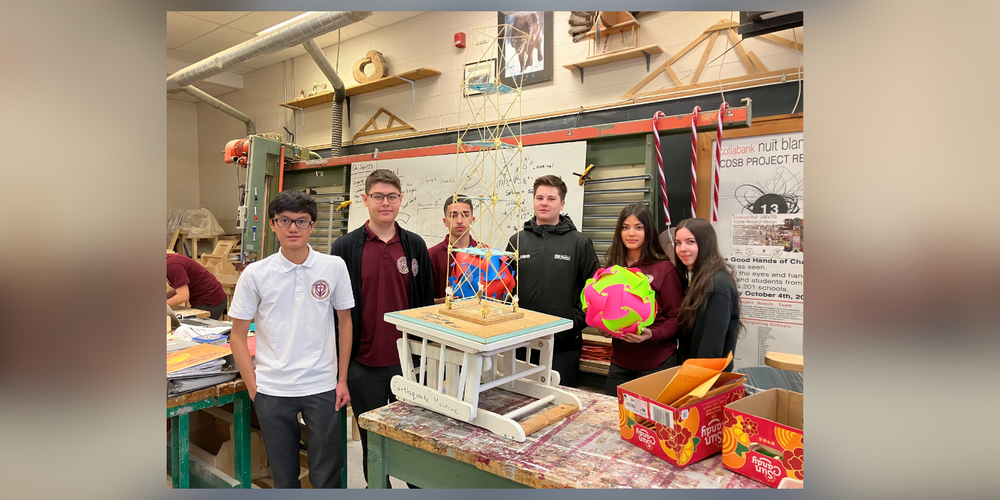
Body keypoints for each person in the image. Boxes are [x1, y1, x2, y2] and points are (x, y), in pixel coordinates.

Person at [227, 190, 355, 488]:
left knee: (327, 473)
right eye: (284, 220)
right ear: (272, 224)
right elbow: (237, 335)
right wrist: (254, 388)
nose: (293, 228)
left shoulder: (333, 267)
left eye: (301, 221)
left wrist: (342, 379)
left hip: (322, 385)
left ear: (313, 226)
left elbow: (345, 322)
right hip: (273, 388)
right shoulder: (256, 274)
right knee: (284, 475)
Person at [330, 169, 433, 488]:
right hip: (363, 366)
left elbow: (426, 307)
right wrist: (342, 372)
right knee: (373, 446)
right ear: (364, 200)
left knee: (415, 443)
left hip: (408, 366)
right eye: (378, 196)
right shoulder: (345, 247)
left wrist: (425, 362)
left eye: (391, 196)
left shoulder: (415, 246)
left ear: (401, 200)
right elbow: (335, 314)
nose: (385, 203)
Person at [507, 175, 599, 388]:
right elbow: (506, 287)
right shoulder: (517, 241)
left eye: (551, 198)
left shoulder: (580, 243)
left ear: (562, 203)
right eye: (539, 197)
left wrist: (574, 321)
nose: (544, 203)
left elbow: (594, 293)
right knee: (515, 400)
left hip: (563, 346)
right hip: (520, 341)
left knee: (560, 406)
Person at [599, 204, 684, 396]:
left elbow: (676, 320)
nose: (631, 233)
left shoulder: (664, 269)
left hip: (657, 363)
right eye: (625, 227)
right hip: (620, 362)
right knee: (612, 419)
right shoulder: (612, 268)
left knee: (651, 424)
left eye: (638, 227)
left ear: (648, 231)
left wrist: (651, 334)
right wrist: (605, 327)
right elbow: (605, 309)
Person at [673, 218, 742, 372]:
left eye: (690, 242)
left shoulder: (716, 285)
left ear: (706, 243)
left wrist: (696, 381)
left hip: (705, 378)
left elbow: (711, 346)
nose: (682, 248)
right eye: (678, 243)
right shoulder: (700, 278)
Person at [427, 194, 478, 304]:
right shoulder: (432, 255)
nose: (459, 221)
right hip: (441, 319)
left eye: (465, 215)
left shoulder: (484, 253)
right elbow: (423, 300)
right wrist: (445, 301)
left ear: (472, 219)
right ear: (445, 221)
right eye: (453, 216)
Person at [166, 253, 228, 319]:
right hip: (201, 298)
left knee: (195, 327)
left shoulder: (172, 266)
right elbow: (180, 286)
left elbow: (183, 296)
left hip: (210, 298)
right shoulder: (168, 262)